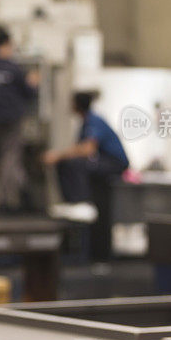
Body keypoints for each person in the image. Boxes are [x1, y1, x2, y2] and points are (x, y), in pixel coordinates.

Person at [42, 92, 129, 260]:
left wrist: (57, 155)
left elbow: (87, 149)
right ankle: (72, 201)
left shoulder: (94, 121)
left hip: (114, 163)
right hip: (102, 162)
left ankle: (81, 202)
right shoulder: (85, 122)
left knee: (75, 163)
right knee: (66, 163)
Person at [0, 25, 39, 213]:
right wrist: (33, 82)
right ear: (6, 45)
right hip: (13, 118)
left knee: (10, 157)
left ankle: (26, 195)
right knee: (9, 158)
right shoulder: (14, 69)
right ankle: (5, 200)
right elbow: (30, 92)